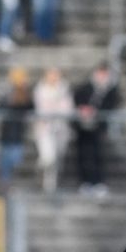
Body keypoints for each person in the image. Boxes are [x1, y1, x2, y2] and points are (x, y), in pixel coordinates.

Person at [72, 63, 120, 195]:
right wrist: (83, 109)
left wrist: (95, 112)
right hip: (82, 127)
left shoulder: (111, 90)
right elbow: (77, 98)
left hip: (98, 127)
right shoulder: (85, 87)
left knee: (97, 155)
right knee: (83, 154)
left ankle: (98, 182)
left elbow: (112, 105)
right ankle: (85, 182)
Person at [33, 65, 72, 193]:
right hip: (45, 129)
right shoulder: (40, 90)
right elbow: (40, 110)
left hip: (60, 128)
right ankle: (42, 176)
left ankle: (50, 186)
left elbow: (67, 109)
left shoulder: (64, 89)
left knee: (56, 159)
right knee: (48, 158)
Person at [0, 67, 34, 185]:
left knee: (16, 159)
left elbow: (30, 107)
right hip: (7, 131)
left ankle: (11, 182)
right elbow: (0, 106)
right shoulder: (6, 91)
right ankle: (6, 183)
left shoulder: (26, 93)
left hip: (19, 131)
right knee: (6, 159)